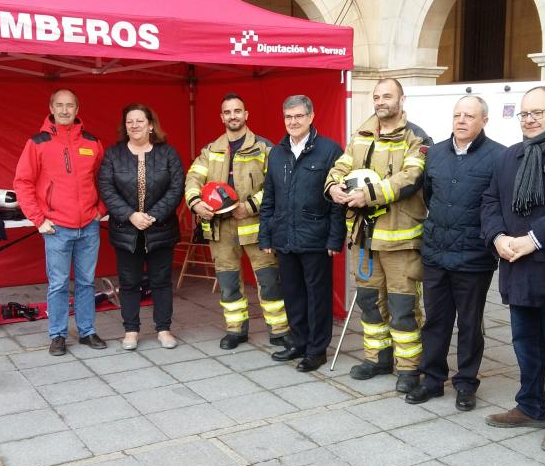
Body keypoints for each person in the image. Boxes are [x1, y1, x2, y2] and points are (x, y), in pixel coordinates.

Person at [480, 86, 545, 453]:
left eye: (538, 111)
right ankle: (530, 406)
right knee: (525, 343)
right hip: (515, 265)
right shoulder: (511, 155)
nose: (531, 119)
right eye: (525, 114)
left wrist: (533, 238)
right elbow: (490, 200)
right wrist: (497, 237)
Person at [325, 78, 430, 393]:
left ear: (401, 99)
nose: (381, 101)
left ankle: (409, 367)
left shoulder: (417, 138)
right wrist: (332, 187)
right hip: (363, 239)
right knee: (370, 302)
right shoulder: (360, 135)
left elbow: (411, 177)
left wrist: (367, 195)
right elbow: (340, 167)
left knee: (403, 306)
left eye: (388, 95)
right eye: (376, 96)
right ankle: (378, 358)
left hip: (400, 240)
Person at [404, 96, 502, 409]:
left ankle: (466, 384)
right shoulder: (435, 154)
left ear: (484, 121)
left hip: (473, 257)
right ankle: (432, 380)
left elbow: (496, 204)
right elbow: (430, 197)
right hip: (436, 253)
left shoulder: (498, 156)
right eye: (457, 115)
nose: (461, 121)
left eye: (469, 116)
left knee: (471, 324)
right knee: (435, 320)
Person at [184, 93, 291, 351]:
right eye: (227, 112)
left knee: (269, 281)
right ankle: (236, 330)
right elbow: (192, 179)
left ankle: (279, 331)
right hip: (220, 228)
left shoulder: (265, 148)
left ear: (246, 115)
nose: (233, 116)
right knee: (229, 282)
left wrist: (250, 207)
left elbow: (278, 186)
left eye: (237, 111)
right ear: (222, 117)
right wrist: (196, 203)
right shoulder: (210, 151)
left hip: (255, 227)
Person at [13, 88, 107, 356]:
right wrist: (38, 219)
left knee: (88, 281)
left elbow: (104, 179)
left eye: (70, 106)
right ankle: (57, 335)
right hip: (56, 227)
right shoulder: (38, 143)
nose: (65, 110)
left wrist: (101, 208)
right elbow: (23, 182)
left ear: (78, 109)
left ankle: (87, 331)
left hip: (88, 225)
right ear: (51, 108)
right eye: (60, 105)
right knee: (58, 283)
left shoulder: (92, 142)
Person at [259, 95, 346, 372]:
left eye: (298, 116)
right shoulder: (276, 152)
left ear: (310, 117)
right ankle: (298, 342)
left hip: (316, 238)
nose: (293, 122)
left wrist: (335, 238)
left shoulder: (330, 150)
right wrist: (266, 236)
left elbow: (336, 201)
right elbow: (269, 197)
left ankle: (316, 350)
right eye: (288, 117)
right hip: (283, 236)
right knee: (293, 293)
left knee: (317, 296)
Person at [98, 103, 183, 351]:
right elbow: (106, 188)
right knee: (129, 282)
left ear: (151, 125)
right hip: (126, 232)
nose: (134, 125)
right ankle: (131, 330)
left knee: (161, 281)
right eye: (129, 122)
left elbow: (176, 188)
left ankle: (164, 329)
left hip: (161, 229)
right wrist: (130, 215)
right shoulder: (113, 155)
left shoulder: (168, 153)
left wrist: (153, 216)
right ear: (125, 127)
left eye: (139, 121)